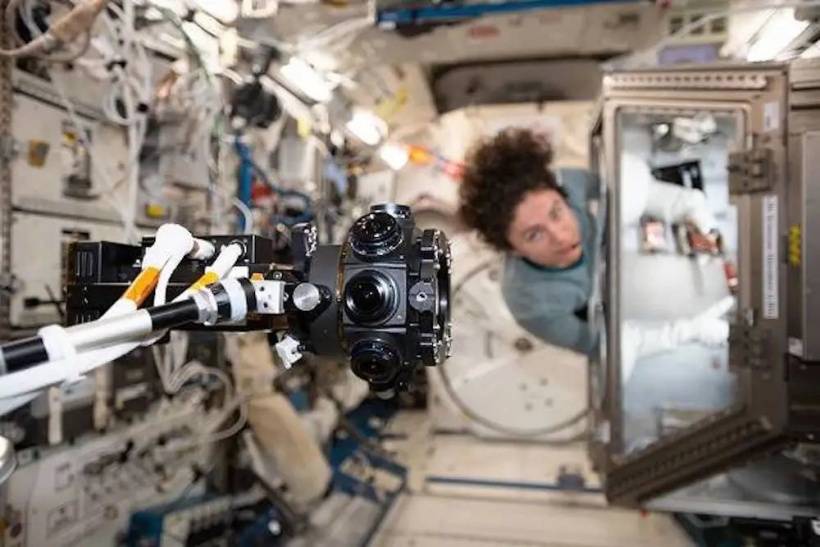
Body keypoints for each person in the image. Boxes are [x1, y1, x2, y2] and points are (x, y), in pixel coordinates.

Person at [458, 128, 731, 379]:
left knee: (627, 176)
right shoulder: (531, 305)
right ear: (512, 250)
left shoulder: (569, 183)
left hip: (620, 246)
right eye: (535, 234)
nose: (561, 235)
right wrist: (685, 332)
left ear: (561, 194)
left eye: (556, 212)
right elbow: (603, 345)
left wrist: (686, 205)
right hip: (607, 302)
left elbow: (633, 189)